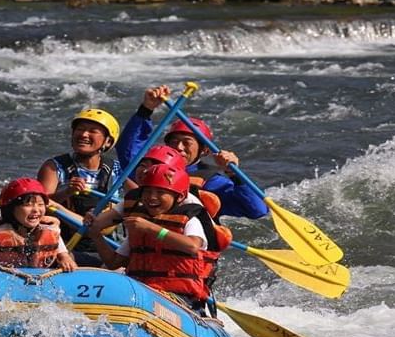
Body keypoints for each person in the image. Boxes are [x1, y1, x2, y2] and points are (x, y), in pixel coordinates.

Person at [88, 164, 232, 315]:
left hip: (181, 299)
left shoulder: (189, 220)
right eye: (148, 191)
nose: (152, 197)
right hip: (142, 292)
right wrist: (96, 236)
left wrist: (152, 229)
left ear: (180, 197)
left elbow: (192, 246)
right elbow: (113, 263)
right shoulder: (141, 225)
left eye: (160, 192)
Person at [115, 85, 268, 219]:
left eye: (186, 143)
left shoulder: (210, 181)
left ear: (204, 150)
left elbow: (257, 210)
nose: (179, 147)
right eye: (174, 142)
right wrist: (146, 110)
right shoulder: (151, 170)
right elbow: (126, 150)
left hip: (187, 245)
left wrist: (235, 174)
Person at [37, 108, 122, 266]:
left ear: (108, 142)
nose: (83, 135)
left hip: (104, 246)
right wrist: (66, 192)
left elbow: (135, 199)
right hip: (64, 246)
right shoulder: (54, 167)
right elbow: (39, 205)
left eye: (92, 131)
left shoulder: (118, 170)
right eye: (80, 129)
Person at [0, 178, 77, 272]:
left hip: (45, 272)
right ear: (11, 209)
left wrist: (65, 259)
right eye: (28, 205)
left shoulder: (50, 229)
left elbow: (63, 253)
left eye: (40, 204)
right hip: (7, 273)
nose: (35, 209)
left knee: (70, 256)